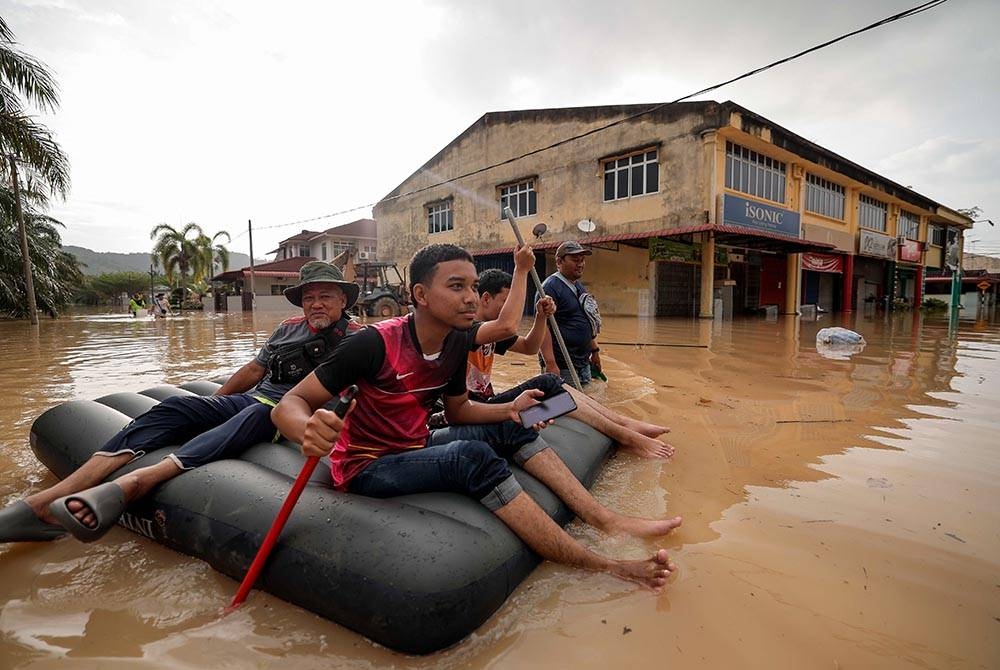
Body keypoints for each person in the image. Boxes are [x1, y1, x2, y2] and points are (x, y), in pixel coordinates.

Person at [272, 243, 680, 590]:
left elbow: (459, 409)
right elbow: (290, 402)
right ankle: (600, 565)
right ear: (421, 295)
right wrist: (306, 428)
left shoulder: (458, 340)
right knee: (471, 456)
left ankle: (604, 516)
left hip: (417, 443)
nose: (471, 296)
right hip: (368, 466)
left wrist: (511, 409)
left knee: (543, 399)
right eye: (457, 287)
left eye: (472, 286)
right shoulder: (371, 345)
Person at [0, 261, 361, 543]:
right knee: (176, 408)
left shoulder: (360, 339)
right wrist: (210, 407)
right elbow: (254, 369)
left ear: (343, 300)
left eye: (326, 296)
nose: (316, 303)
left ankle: (135, 484)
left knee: (255, 414)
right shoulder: (288, 329)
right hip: (253, 400)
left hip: (289, 418)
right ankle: (51, 500)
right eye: (309, 297)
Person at [467, 267, 673, 459]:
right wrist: (521, 268)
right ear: (486, 299)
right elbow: (508, 326)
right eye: (505, 302)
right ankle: (626, 436)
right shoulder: (471, 330)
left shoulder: (490, 331)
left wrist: (541, 317)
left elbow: (529, 347)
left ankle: (622, 423)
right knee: (549, 383)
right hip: (480, 413)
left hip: (491, 405)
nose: (509, 310)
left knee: (554, 392)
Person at [539, 241, 602, 385]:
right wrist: (550, 364)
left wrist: (595, 351)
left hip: (582, 362)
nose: (580, 264)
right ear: (559, 261)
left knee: (585, 401)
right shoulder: (549, 288)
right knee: (567, 404)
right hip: (563, 365)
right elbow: (543, 328)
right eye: (575, 260)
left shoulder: (578, 286)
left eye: (582, 260)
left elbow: (587, 319)